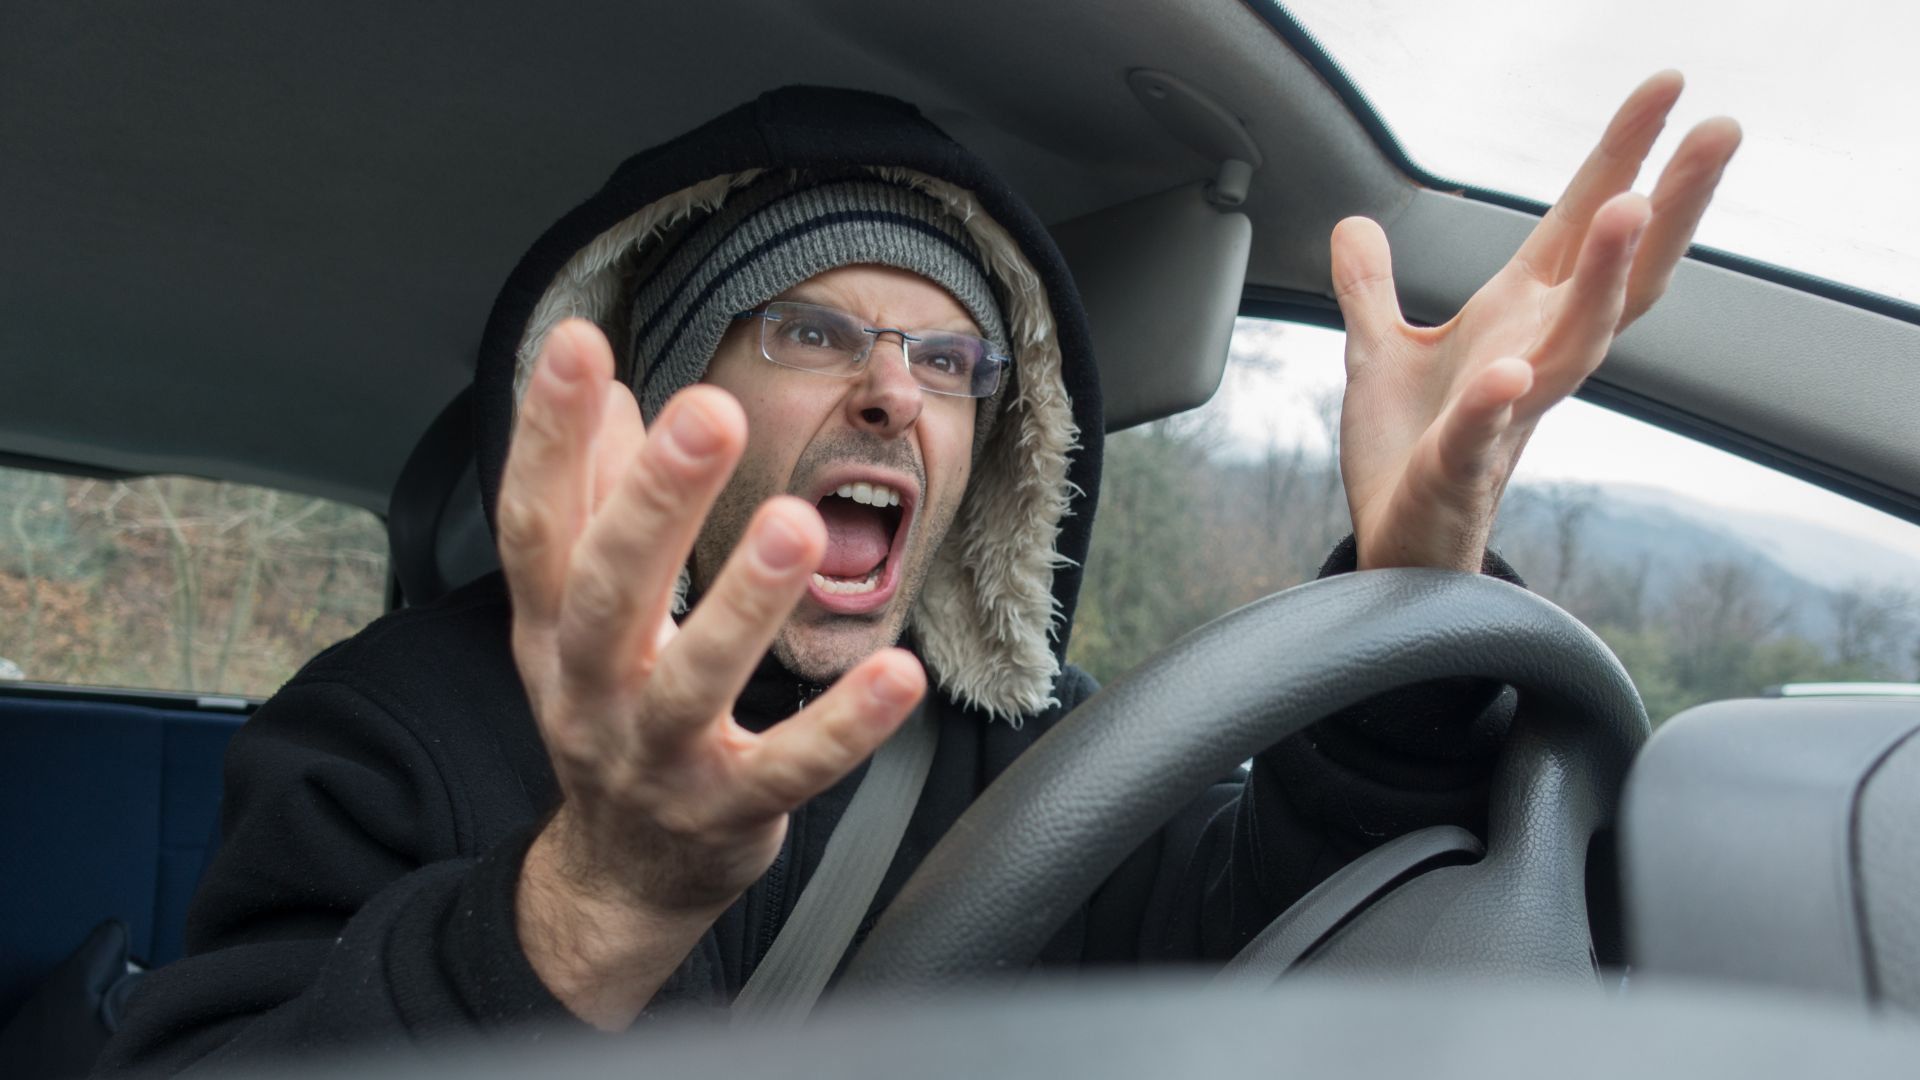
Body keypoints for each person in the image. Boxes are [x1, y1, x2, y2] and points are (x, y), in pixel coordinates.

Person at [101, 77, 1738, 1067]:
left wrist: (1407, 583)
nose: (893, 391)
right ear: (669, 393)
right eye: (813, 330)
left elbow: (1287, 927)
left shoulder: (1030, 754)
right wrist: (598, 895)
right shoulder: (394, 728)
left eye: (953, 361)